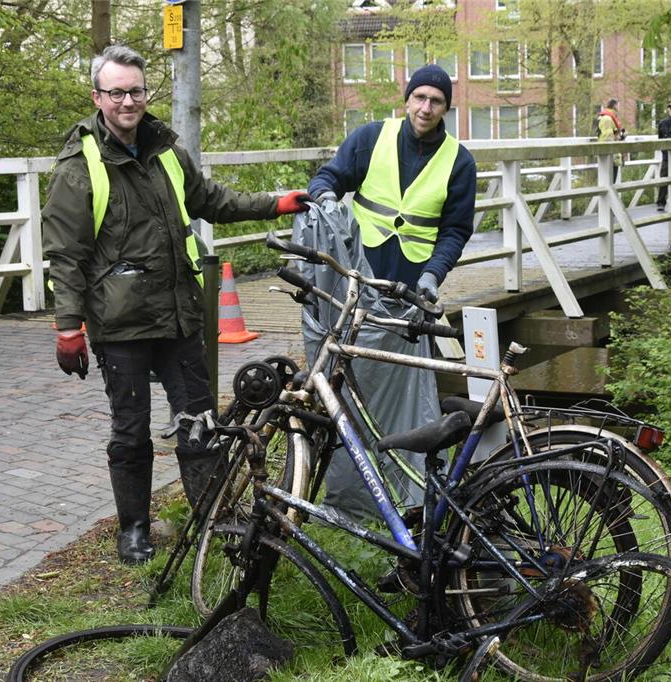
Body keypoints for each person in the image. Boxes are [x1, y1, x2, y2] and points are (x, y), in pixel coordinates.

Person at [42, 44, 310, 565]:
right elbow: (65, 255)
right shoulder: (80, 167)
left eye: (136, 91)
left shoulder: (166, 150)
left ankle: (212, 516)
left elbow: (210, 200)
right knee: (130, 428)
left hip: (179, 313)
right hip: (119, 323)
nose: (128, 101)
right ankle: (135, 529)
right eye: (116, 92)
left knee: (200, 420)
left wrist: (275, 203)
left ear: (146, 93)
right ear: (97, 97)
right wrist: (68, 327)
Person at [307, 64, 476, 300]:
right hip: (358, 265)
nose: (425, 108)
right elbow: (328, 178)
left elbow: (455, 231)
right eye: (420, 97)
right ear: (408, 100)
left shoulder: (460, 162)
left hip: (415, 276)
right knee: (351, 335)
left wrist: (433, 274)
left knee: (407, 336)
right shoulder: (372, 137)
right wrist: (326, 199)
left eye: (436, 101)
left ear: (446, 108)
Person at [597, 98, 626, 182]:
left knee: (609, 183)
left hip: (609, 155)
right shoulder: (608, 118)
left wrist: (619, 136)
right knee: (609, 183)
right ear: (615, 106)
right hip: (609, 156)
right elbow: (607, 138)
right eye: (618, 105)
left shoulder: (606, 117)